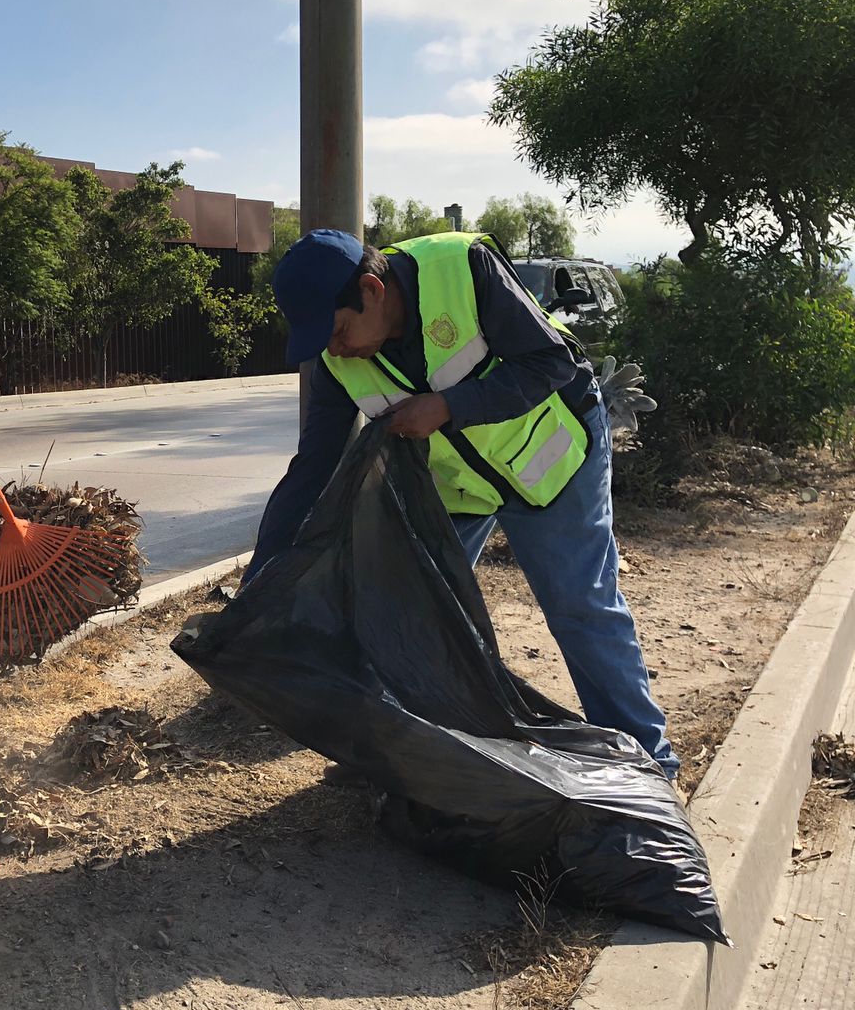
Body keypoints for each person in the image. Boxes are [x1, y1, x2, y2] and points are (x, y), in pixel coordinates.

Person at [246, 228, 679, 780]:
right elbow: (314, 467)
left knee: (581, 607)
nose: (336, 349)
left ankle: (648, 763)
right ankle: (396, 748)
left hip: (554, 461)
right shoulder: (337, 360)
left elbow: (550, 363)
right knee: (407, 608)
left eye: (338, 330)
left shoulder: (463, 268)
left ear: (373, 290)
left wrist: (448, 406)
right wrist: (261, 582)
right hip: (461, 488)